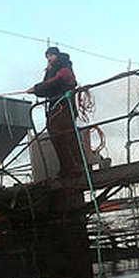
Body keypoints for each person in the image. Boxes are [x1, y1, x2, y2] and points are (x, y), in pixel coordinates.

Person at [29, 46, 84, 182]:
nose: (49, 58)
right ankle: (67, 167)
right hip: (55, 107)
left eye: (51, 55)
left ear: (57, 56)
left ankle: (77, 165)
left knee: (67, 135)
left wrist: (36, 89)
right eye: (47, 56)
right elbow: (47, 85)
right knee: (57, 135)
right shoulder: (51, 71)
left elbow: (53, 83)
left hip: (64, 106)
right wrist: (38, 89)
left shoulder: (64, 68)